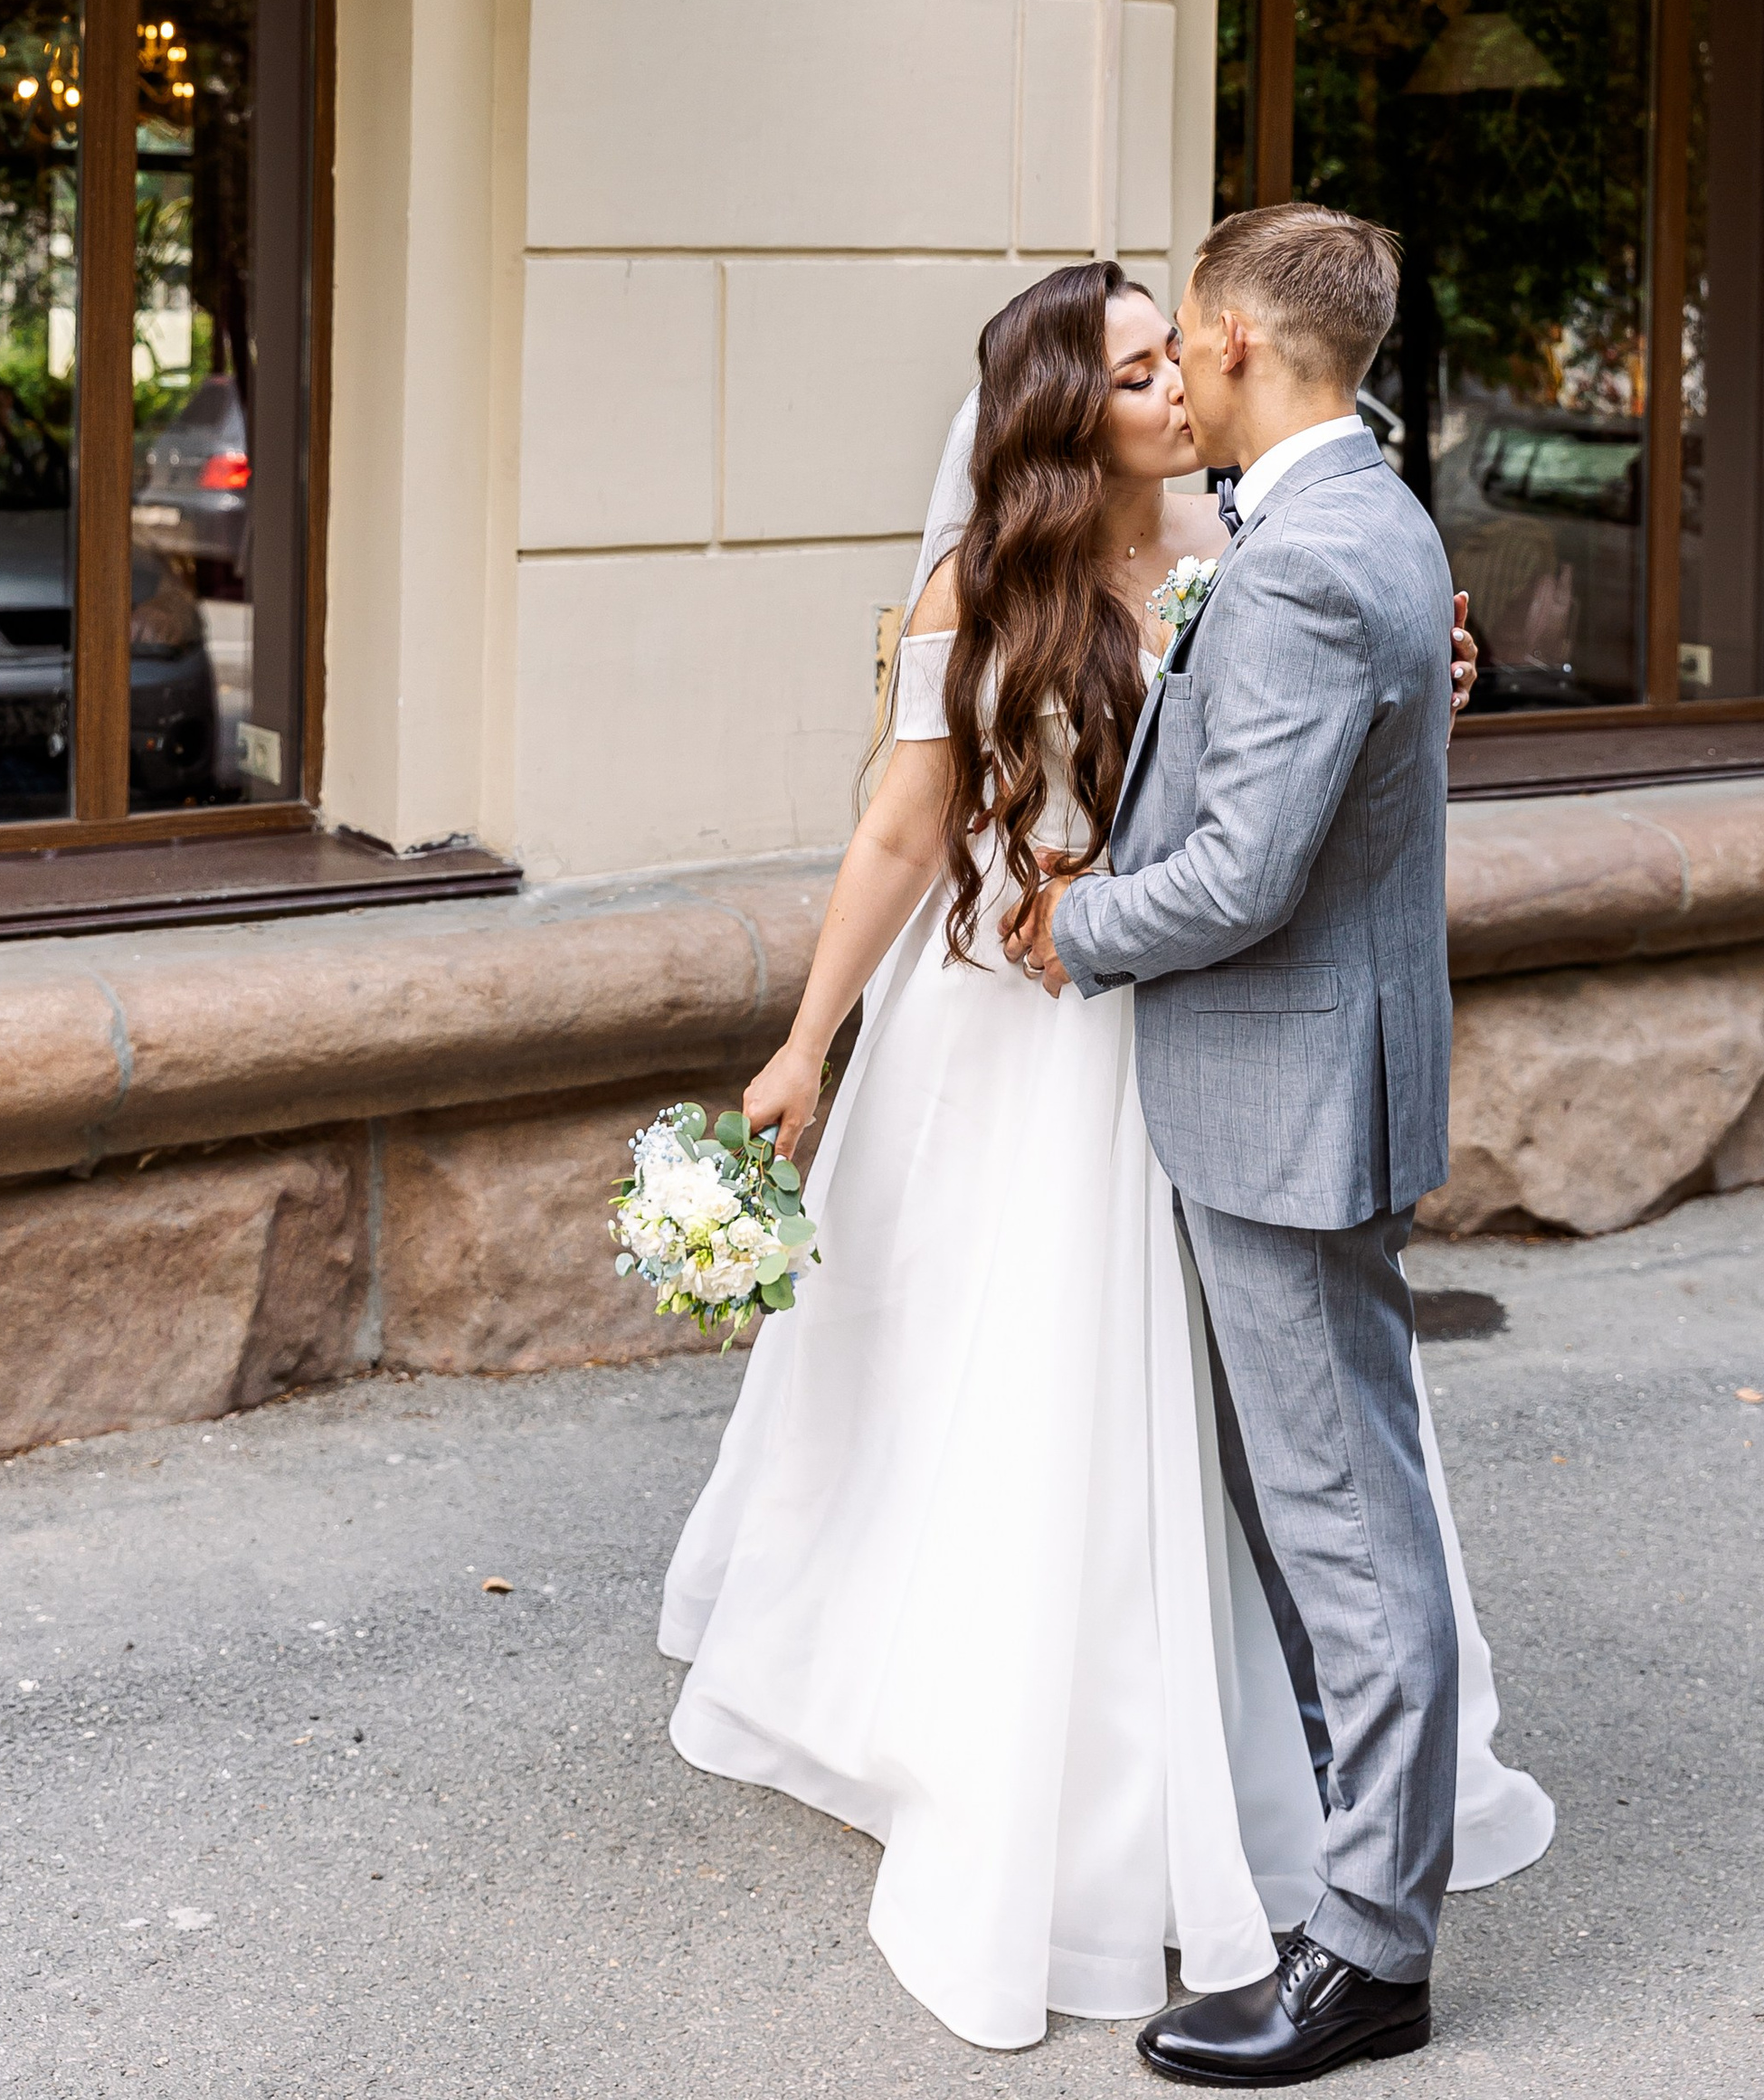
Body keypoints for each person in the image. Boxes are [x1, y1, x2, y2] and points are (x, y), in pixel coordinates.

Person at [659, 247, 1549, 2060]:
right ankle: (1017, 1761)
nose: (1168, 391)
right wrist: (804, 1037)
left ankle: (1262, 1791)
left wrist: (1417, 671)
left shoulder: (1253, 559)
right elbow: (902, 841)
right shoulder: (971, 599)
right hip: (1014, 1040)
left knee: (1235, 1436)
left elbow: (1276, 789)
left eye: (1174, 359)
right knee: (1028, 1407)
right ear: (1069, 412)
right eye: (1134, 371)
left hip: (1174, 1027)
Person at [1010, 204, 1465, 2084]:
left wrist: (1073, 931)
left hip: (1280, 1091)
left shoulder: (1295, 560)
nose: (1176, 368)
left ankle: (1365, 1955)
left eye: (1186, 340)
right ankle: (1345, 1873)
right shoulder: (1354, 514)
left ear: (1239, 350)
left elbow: (1242, 874)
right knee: (1323, 1511)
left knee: (1341, 1530)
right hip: (1306, 1076)